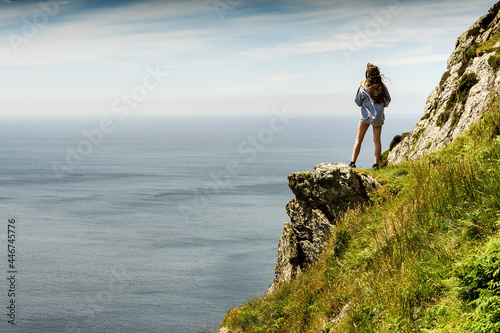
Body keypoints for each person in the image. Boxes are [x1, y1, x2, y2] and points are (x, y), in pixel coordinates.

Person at [349, 63, 391, 170]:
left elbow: (357, 102)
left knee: (359, 139)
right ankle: (376, 165)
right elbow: (387, 101)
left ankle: (353, 162)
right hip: (378, 117)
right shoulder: (382, 87)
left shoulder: (363, 86)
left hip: (365, 116)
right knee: (377, 140)